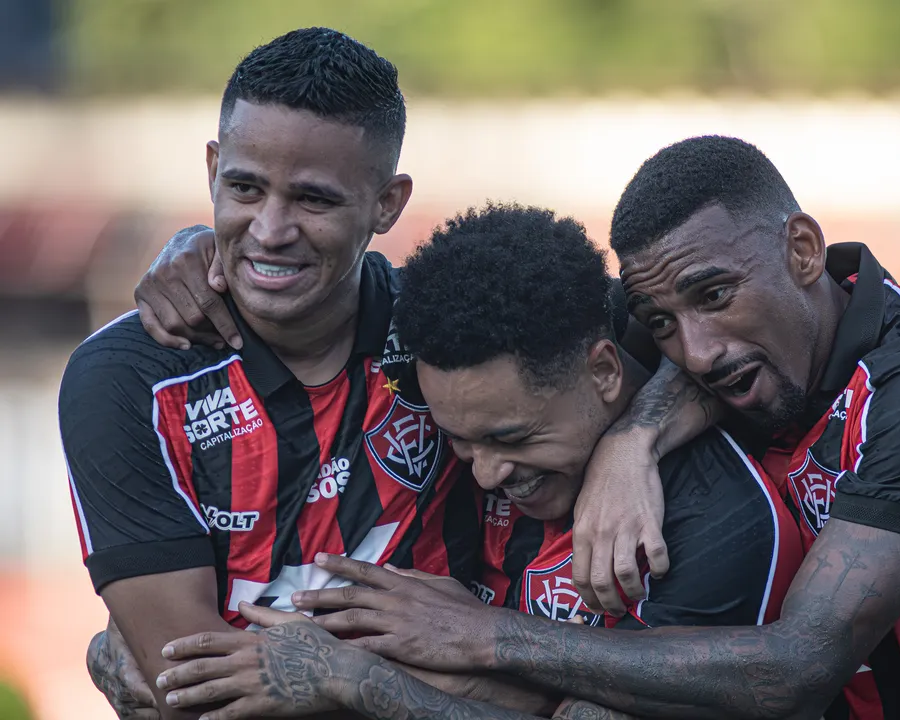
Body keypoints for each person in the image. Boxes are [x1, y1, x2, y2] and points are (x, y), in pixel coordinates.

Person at [148, 136, 900, 719]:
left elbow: (798, 667)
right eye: (664, 323)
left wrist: (482, 637)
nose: (698, 348)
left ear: (803, 250)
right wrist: (206, 252)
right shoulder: (670, 333)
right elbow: (478, 302)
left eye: (716, 296)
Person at [147, 202, 806, 719]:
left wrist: (360, 682)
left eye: (514, 438)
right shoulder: (455, 424)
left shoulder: (724, 523)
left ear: (603, 371)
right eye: (462, 442)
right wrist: (200, 254)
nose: (486, 472)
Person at [60, 28, 483, 719]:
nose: (270, 228)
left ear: (388, 203)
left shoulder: (457, 328)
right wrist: (409, 666)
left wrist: (633, 442)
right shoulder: (128, 376)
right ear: (211, 170)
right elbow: (191, 691)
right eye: (246, 188)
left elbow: (664, 338)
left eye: (314, 200)